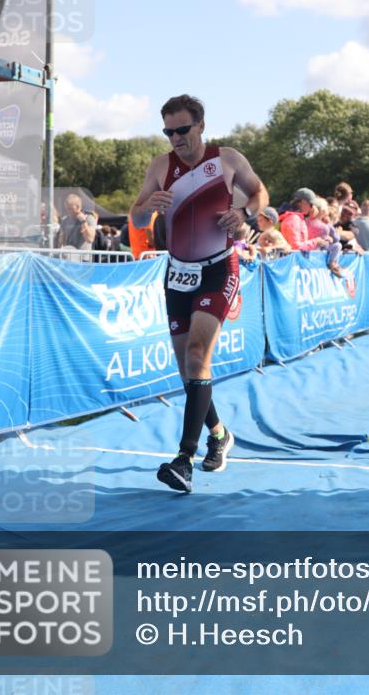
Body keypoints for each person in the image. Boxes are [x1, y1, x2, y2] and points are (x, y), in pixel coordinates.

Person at [130, 94, 268, 494]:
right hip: (177, 272)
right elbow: (136, 215)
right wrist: (147, 207)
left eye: (182, 130)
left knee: (196, 355)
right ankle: (220, 434)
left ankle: (184, 458)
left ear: (200, 126)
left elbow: (259, 194)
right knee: (187, 368)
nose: (175, 138)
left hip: (218, 268)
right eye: (168, 131)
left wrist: (245, 214)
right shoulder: (160, 166)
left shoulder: (227, 160)